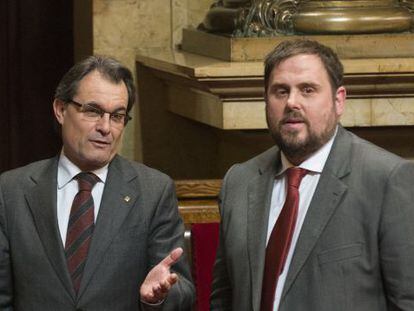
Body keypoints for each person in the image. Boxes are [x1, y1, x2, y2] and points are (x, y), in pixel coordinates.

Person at [210, 39, 414, 311]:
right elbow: (224, 298)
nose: (292, 102)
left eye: (307, 90)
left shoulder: (386, 179)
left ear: (338, 100)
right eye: (280, 91)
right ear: (266, 101)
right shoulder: (240, 181)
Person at [0, 56, 194, 310]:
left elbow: (183, 292)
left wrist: (158, 297)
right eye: (93, 111)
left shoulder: (153, 191)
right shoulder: (11, 191)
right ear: (60, 110)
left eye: (117, 116)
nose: (106, 127)